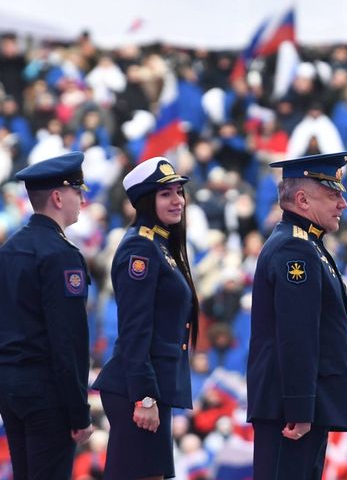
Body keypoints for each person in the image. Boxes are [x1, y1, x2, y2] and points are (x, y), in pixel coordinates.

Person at [247, 151, 347, 480]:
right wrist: (299, 406)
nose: (343, 204)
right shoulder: (294, 248)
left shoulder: (308, 244)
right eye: (333, 195)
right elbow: (297, 334)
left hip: (302, 406)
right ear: (302, 200)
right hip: (290, 410)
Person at [0, 151, 94, 479]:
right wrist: (79, 412)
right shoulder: (61, 255)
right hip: (46, 389)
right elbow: (68, 339)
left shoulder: (7, 251)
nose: (82, 200)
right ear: (58, 198)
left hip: (9, 385)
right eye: (77, 191)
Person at [92, 156, 200, 480]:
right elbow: (134, 329)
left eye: (179, 192)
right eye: (166, 194)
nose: (177, 200)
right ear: (145, 201)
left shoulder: (159, 244)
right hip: (138, 390)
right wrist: (144, 396)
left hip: (152, 387)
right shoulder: (140, 248)